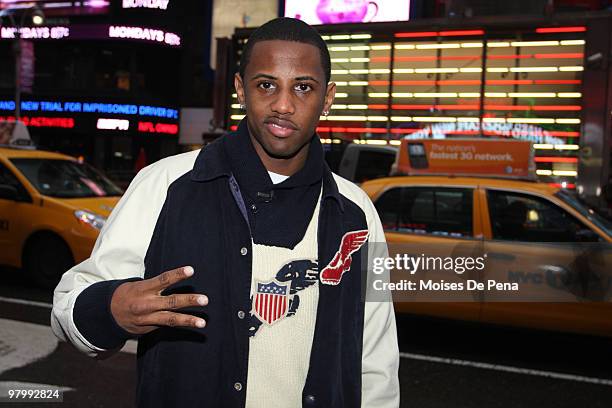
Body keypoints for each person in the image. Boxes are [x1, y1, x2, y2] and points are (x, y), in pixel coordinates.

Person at [52, 17, 399, 408]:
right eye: (266, 85)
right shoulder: (165, 184)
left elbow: (375, 357)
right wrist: (111, 307)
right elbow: (67, 306)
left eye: (303, 87)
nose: (284, 105)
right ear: (240, 89)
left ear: (328, 97)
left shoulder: (357, 212)